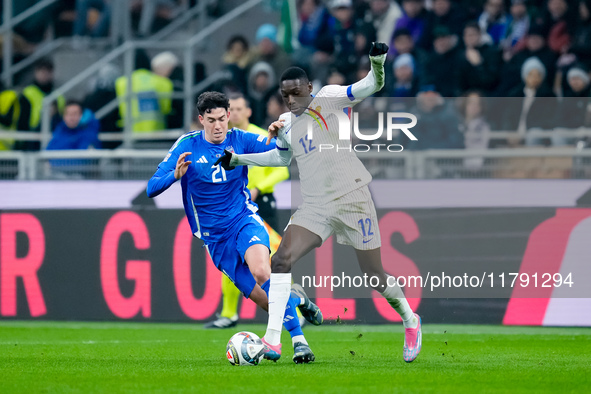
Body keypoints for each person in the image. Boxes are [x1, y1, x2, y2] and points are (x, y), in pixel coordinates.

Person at [215, 42, 422, 363]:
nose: (292, 99)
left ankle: (410, 319)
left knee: (374, 274)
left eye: (297, 92)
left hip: (353, 198)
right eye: (285, 95)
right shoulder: (286, 123)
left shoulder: (329, 98)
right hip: (317, 206)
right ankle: (273, 342)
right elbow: (281, 159)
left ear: (309, 88)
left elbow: (372, 84)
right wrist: (238, 159)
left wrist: (377, 62)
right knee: (280, 261)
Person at [146, 92, 321, 364]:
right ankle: (298, 301)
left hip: (243, 220)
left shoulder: (240, 139)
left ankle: (300, 343)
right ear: (201, 120)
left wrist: (281, 135)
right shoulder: (186, 146)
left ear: (229, 115)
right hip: (215, 240)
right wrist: (174, 176)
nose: (218, 126)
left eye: (222, 119)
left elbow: (280, 155)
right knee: (265, 300)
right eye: (211, 120)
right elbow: (151, 188)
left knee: (263, 271)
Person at [204, 93, 290, 329]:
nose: (238, 113)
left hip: (261, 203)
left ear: (249, 112)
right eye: (235, 109)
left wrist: (258, 189)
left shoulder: (258, 136)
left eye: (242, 108)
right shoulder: (222, 140)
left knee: (271, 263)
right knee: (232, 260)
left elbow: (282, 170)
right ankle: (229, 314)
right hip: (234, 205)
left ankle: (296, 308)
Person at [115, 51, 175, 134]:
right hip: (157, 131)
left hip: (130, 131)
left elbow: (120, 108)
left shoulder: (121, 82)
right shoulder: (163, 82)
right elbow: (166, 109)